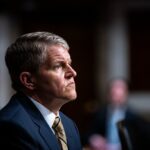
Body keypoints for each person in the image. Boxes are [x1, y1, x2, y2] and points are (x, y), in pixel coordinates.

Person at [0, 31, 82, 150]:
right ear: (28, 80)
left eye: (69, 64)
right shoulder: (11, 127)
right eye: (58, 66)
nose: (73, 73)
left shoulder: (68, 124)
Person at [82, 78, 150, 150]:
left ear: (126, 94)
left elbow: (142, 141)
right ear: (109, 95)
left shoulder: (134, 117)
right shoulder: (100, 114)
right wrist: (93, 138)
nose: (116, 98)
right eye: (114, 94)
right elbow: (86, 134)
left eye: (119, 96)